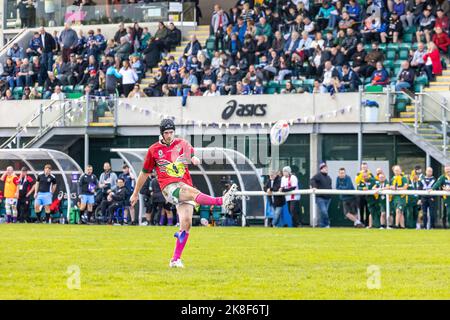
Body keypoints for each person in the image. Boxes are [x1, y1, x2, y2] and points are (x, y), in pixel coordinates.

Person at [130, 119, 238, 268]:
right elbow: (144, 174)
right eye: (166, 133)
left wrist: (194, 158)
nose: (169, 135)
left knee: (186, 223)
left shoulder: (181, 143)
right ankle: (221, 201)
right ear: (161, 133)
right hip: (169, 188)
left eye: (171, 132)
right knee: (193, 192)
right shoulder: (153, 150)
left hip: (184, 185)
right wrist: (135, 193)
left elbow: (191, 153)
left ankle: (175, 259)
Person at [310, 162, 332, 228]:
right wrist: (314, 186)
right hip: (320, 198)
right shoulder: (318, 175)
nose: (326, 169)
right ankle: (327, 223)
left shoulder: (329, 177)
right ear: (321, 169)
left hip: (328, 198)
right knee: (324, 211)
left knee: (324, 213)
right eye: (324, 168)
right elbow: (312, 180)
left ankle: (322, 225)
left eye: (326, 168)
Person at [432, 164, 450, 229]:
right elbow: (437, 183)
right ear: (444, 170)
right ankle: (445, 226)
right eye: (447, 170)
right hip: (446, 198)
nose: (448, 171)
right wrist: (432, 189)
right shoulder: (442, 177)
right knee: (446, 212)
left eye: (449, 169)